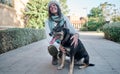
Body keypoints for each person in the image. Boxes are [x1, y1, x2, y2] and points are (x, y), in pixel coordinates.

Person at [45, 0, 79, 65]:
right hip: (56, 41)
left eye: (54, 5)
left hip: (64, 40)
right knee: (51, 47)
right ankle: (55, 56)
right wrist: (58, 46)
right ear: (49, 10)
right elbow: (48, 36)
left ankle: (71, 55)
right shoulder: (47, 21)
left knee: (75, 41)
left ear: (57, 7)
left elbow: (71, 29)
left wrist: (76, 34)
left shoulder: (64, 18)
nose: (52, 7)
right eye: (50, 7)